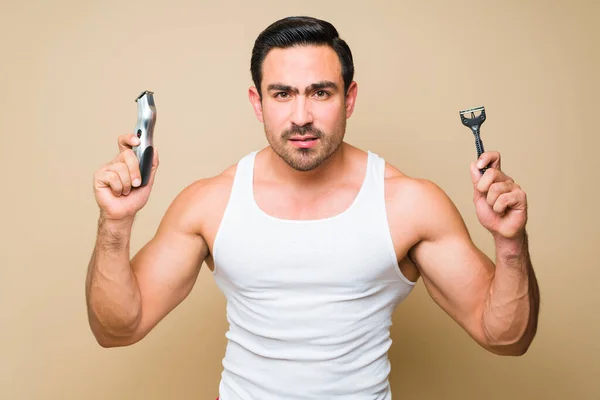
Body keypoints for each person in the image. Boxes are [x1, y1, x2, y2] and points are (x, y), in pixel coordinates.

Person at [86, 16, 540, 399]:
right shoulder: (211, 202)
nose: (301, 116)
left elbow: (506, 338)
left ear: (350, 98)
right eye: (282, 94)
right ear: (257, 103)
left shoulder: (408, 203)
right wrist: (115, 225)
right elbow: (118, 330)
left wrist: (510, 243)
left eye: (320, 93)